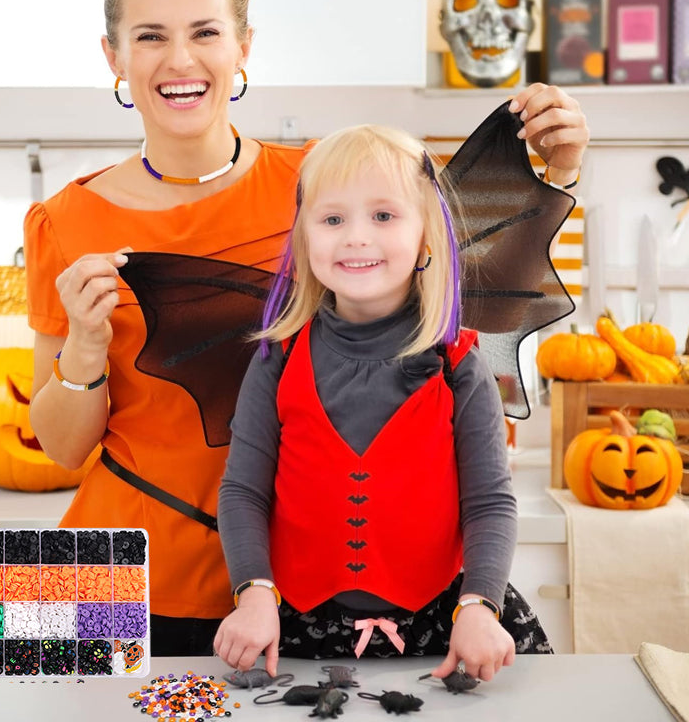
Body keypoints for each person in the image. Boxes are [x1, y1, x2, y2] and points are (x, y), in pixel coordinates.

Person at [23, 0, 589, 657]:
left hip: (302, 601)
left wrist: (560, 171)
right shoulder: (63, 220)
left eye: (205, 31)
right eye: (150, 36)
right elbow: (61, 451)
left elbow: (458, 281)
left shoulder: (325, 188)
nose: (181, 59)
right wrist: (87, 349)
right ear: (115, 57)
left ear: (243, 45)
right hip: (111, 574)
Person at [213, 121, 582, 682]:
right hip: (299, 626)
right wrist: (254, 592)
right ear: (304, 236)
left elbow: (489, 503)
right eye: (333, 219)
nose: (356, 237)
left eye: (383, 216)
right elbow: (243, 491)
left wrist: (480, 606)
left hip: (447, 621)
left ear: (425, 236)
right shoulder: (277, 359)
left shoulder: (460, 363)